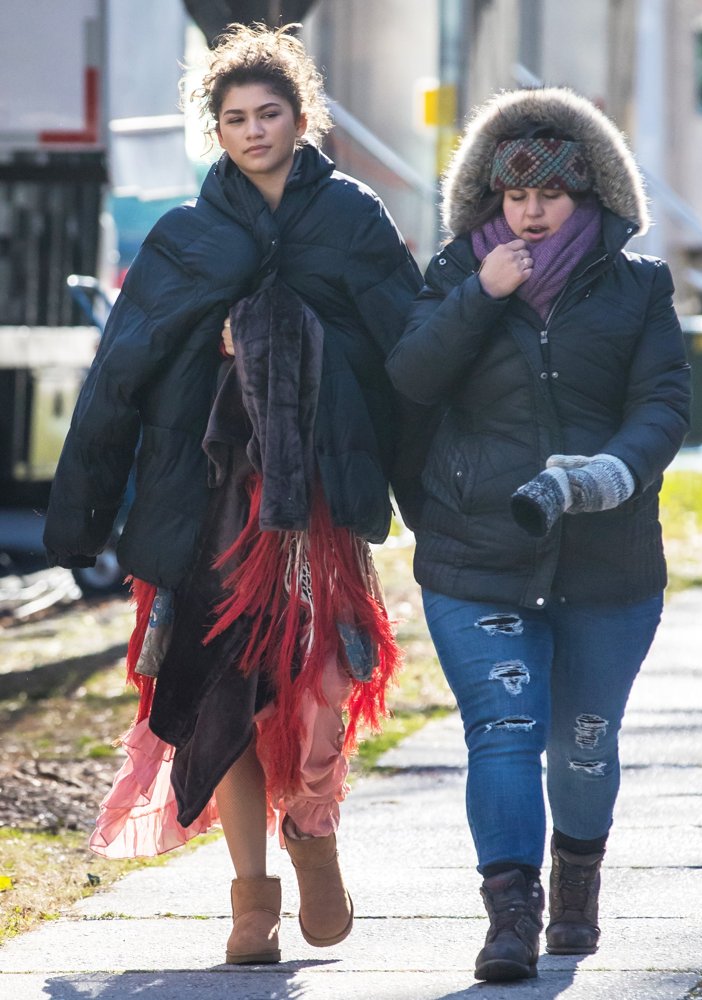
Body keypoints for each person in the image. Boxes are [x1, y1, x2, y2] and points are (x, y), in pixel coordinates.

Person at [44, 23, 423, 966]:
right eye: (233, 118)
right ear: (213, 130)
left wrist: (290, 346)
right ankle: (250, 897)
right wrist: (82, 514)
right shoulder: (185, 236)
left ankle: (314, 832)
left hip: (320, 505)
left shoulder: (352, 219)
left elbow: (407, 356)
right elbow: (119, 374)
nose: (252, 131)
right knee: (226, 697)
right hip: (203, 501)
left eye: (268, 114)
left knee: (324, 687)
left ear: (302, 118)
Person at [386, 86, 691, 983]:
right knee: (505, 730)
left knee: (584, 742)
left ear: (589, 196)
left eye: (549, 194)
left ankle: (578, 876)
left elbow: (665, 403)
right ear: (489, 197)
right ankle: (510, 916)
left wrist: (609, 475)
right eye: (514, 194)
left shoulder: (636, 287)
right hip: (478, 554)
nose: (529, 209)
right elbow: (409, 378)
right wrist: (481, 297)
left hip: (609, 560)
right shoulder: (452, 278)